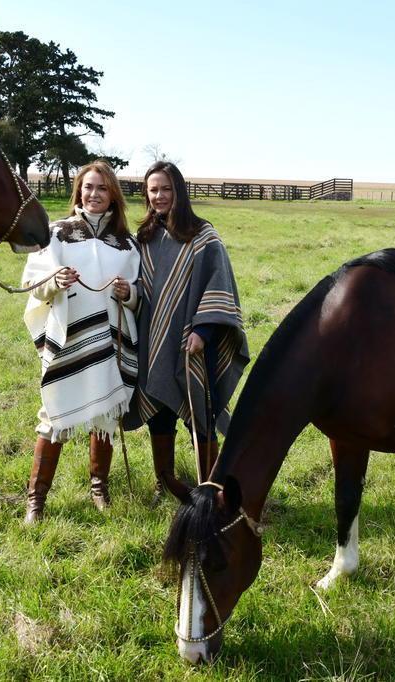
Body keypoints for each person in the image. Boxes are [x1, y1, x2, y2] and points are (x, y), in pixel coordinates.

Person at [123, 161, 249, 503]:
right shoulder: (144, 238)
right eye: (153, 190)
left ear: (178, 190)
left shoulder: (203, 235)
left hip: (194, 342)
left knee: (201, 415)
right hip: (153, 340)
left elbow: (217, 281)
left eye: (166, 189)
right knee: (159, 413)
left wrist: (203, 330)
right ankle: (165, 484)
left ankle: (210, 488)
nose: (160, 196)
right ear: (146, 195)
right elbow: (139, 287)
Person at [21, 160, 139, 520]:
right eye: (88, 187)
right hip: (69, 337)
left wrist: (128, 292)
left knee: (105, 411)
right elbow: (32, 284)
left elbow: (140, 294)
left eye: (102, 188)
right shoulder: (56, 233)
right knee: (55, 413)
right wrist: (55, 282)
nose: (94, 194)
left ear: (113, 195)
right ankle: (36, 500)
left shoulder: (125, 244)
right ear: (78, 190)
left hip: (111, 340)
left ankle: (99, 489)